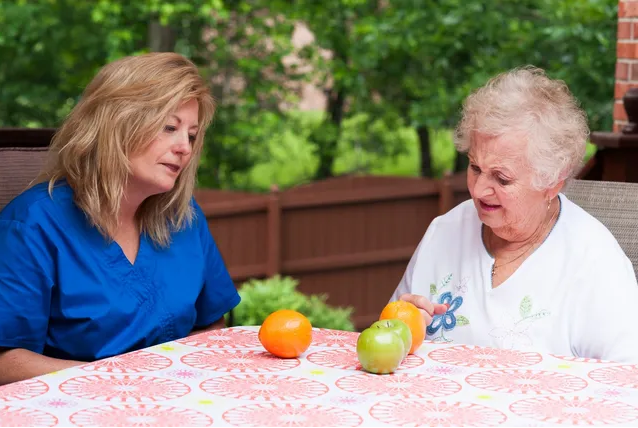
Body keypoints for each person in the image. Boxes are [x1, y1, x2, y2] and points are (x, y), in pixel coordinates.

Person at [0, 52, 240, 384]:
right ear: (117, 123)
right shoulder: (30, 224)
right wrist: (121, 380)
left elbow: (211, 321)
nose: (184, 147)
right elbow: (7, 361)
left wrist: (184, 376)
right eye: (169, 127)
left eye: (191, 135)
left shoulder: (184, 217)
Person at [391, 66, 638, 363]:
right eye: (475, 167)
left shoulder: (593, 261)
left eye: (502, 178)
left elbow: (627, 382)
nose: (479, 190)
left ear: (552, 181)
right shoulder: (444, 232)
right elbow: (387, 342)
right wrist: (402, 329)